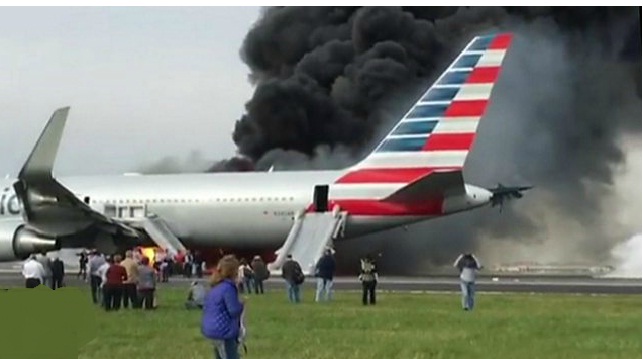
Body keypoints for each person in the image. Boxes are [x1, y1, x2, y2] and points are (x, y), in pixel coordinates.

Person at [201, 255, 245, 359]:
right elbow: (233, 311)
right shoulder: (228, 288)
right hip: (224, 331)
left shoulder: (216, 287)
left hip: (212, 328)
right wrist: (242, 305)